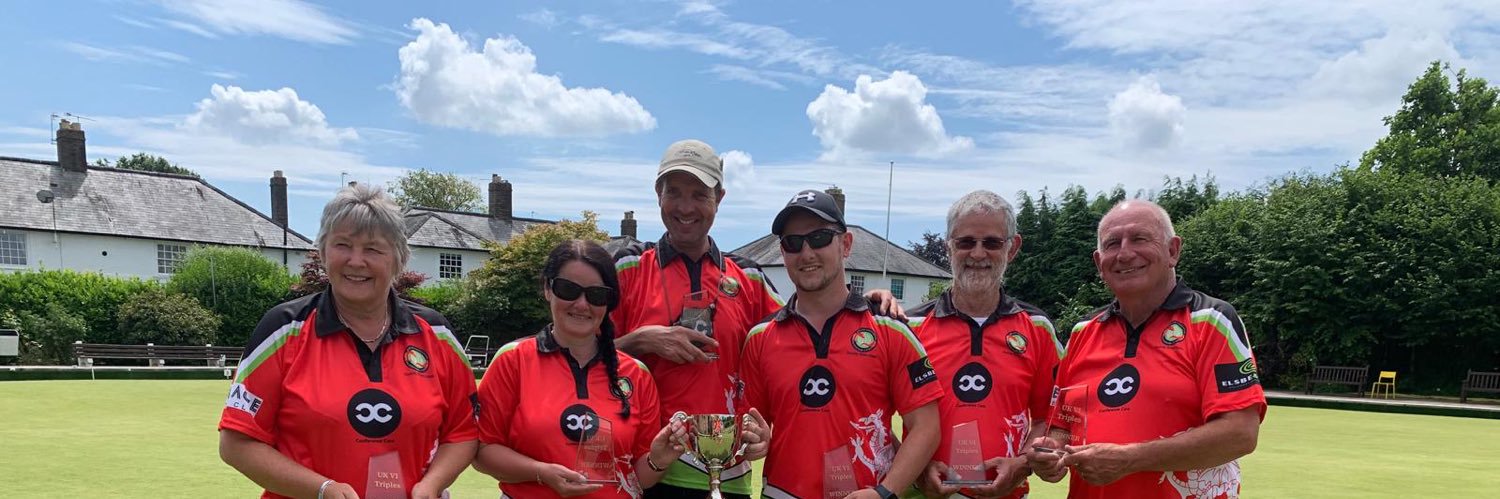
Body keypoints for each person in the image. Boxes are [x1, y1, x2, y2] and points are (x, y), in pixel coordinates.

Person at [218, 183, 478, 499]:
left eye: (373, 248)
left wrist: (432, 485)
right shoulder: (283, 329)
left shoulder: (435, 334)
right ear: (324, 252)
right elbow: (237, 443)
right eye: (343, 244)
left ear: (398, 259)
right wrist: (322, 489)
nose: (356, 261)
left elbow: (463, 433)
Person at [1026, 200, 1266, 499]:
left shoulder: (1212, 321)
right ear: (1100, 263)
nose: (1125, 253)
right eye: (1113, 244)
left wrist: (1131, 459)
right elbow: (1062, 425)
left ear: (1173, 251)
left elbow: (1240, 434)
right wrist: (1050, 452)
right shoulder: (1082, 333)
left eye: (1139, 238)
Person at [741, 189, 943, 499]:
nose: (806, 253)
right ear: (783, 253)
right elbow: (752, 423)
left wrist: (884, 493)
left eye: (820, 238)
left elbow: (926, 427)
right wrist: (753, 439)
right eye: (793, 243)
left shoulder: (890, 330)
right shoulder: (760, 338)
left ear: (845, 244)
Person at [473, 239, 696, 498]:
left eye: (596, 295)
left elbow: (637, 478)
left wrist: (658, 460)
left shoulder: (636, 374)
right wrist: (541, 472)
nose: (581, 304)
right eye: (568, 289)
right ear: (548, 289)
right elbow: (483, 451)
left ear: (608, 302)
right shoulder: (513, 360)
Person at [908, 191, 1062, 499]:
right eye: (966, 242)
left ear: (1012, 248)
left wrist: (1023, 464)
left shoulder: (1038, 328)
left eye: (991, 243)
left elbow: (1055, 419)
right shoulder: (909, 328)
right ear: (948, 246)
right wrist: (913, 468)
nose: (978, 254)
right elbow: (873, 416)